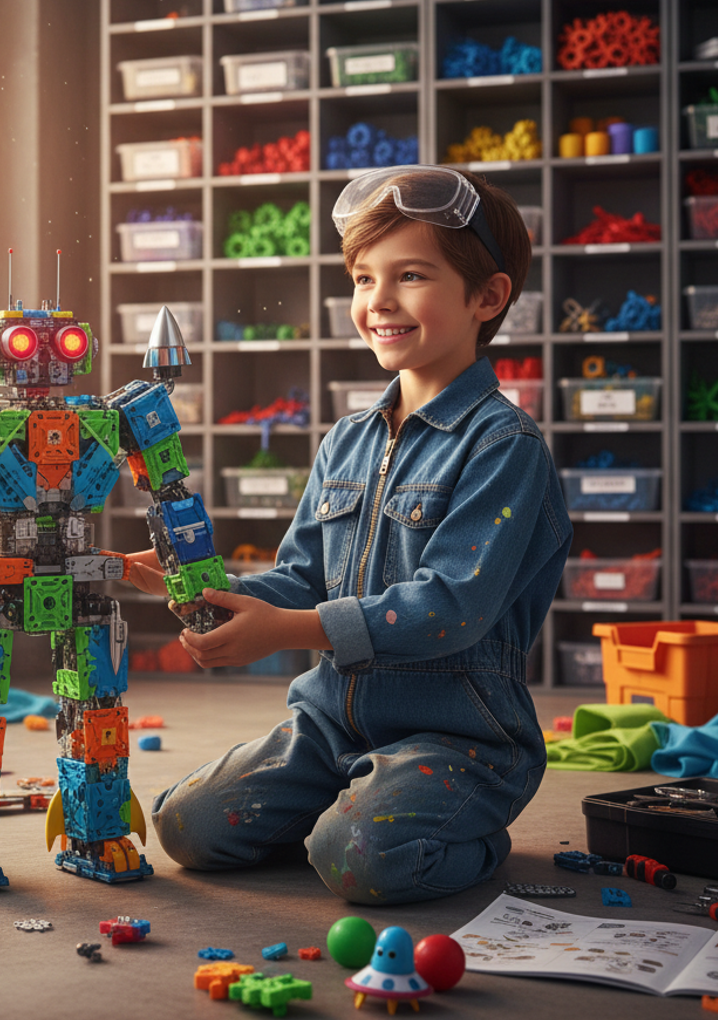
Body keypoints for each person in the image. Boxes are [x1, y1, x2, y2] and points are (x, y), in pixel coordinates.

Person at [126, 166, 572, 905]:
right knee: (185, 826)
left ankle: (465, 831)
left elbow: (450, 607)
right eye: (364, 279)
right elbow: (302, 578)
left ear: (487, 297)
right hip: (331, 726)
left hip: (458, 738)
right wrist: (200, 583)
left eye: (411, 276)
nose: (378, 301)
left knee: (360, 859)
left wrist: (286, 631)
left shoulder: (504, 446)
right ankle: (348, 807)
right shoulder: (347, 439)